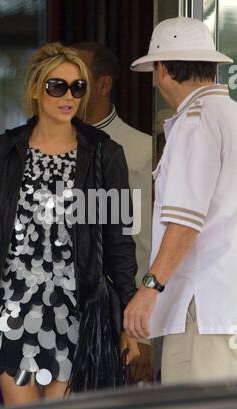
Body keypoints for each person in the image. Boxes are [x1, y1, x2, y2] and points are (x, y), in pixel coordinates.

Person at [0, 42, 139, 405]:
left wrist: (127, 319)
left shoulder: (104, 154)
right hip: (13, 308)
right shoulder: (4, 150)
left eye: (78, 87)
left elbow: (118, 240)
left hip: (75, 310)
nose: (68, 96)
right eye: (57, 86)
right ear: (35, 90)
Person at [125, 16, 237, 385]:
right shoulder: (231, 116)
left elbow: (186, 220)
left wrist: (150, 287)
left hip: (203, 309)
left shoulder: (195, 120)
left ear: (161, 71)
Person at [73, 42, 152, 383]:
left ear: (103, 85)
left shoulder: (139, 151)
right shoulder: (41, 148)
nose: (69, 89)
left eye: (79, 81)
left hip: (115, 319)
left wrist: (140, 331)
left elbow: (143, 243)